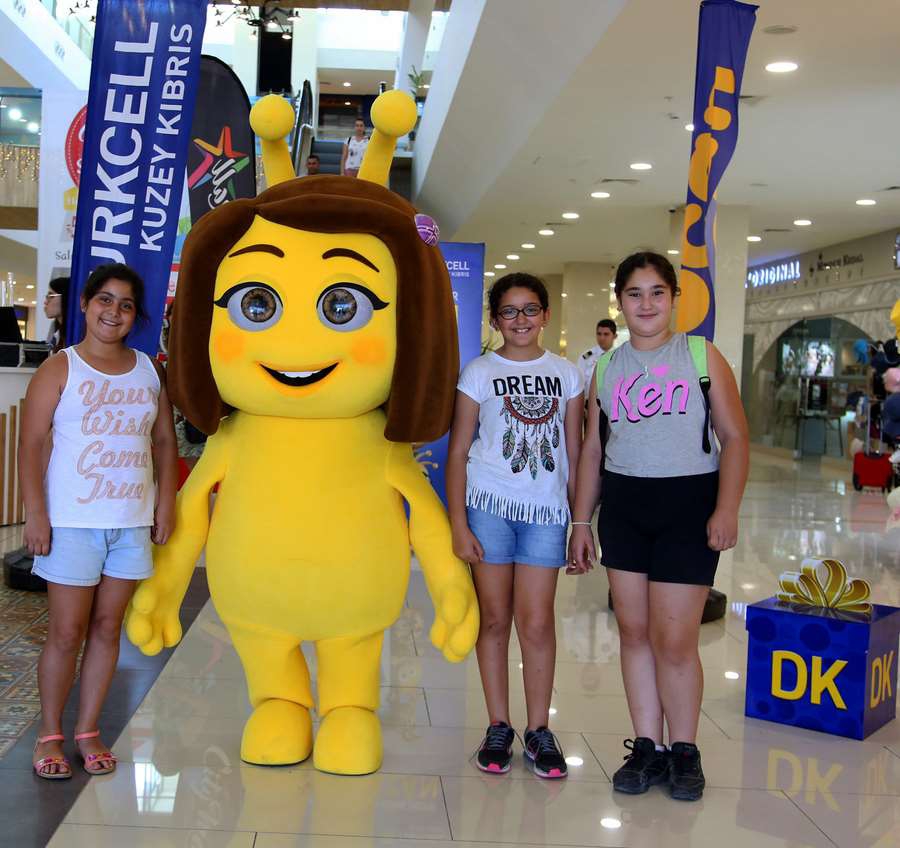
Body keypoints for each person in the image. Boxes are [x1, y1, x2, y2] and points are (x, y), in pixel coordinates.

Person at [569, 252, 748, 802]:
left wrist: (726, 508)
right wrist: (582, 520)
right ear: (620, 302)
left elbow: (735, 437)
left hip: (687, 506)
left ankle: (684, 750)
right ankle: (647, 746)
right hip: (625, 506)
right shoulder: (606, 367)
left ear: (673, 298)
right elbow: (593, 449)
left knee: (675, 640)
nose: (646, 304)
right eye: (634, 294)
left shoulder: (700, 355)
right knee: (634, 632)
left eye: (656, 293)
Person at [20, 263, 178, 780]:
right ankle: (50, 734)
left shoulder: (149, 371)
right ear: (86, 304)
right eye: (105, 300)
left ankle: (88, 731)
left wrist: (166, 503)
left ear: (136, 316)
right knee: (67, 632)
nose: (114, 312)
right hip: (71, 523)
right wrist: (36, 514)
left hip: (129, 523)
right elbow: (31, 443)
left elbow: (163, 441)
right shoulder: (60, 369)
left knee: (109, 629)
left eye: (126, 305)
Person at [447, 272, 583, 779]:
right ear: (494, 319)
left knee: (538, 622)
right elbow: (458, 451)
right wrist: (458, 524)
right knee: (494, 620)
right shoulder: (479, 372)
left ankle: (539, 729)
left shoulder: (567, 375)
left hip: (546, 513)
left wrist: (581, 521)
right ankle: (498, 726)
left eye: (530, 309)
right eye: (509, 311)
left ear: (546, 315)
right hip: (488, 508)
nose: (520, 319)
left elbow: (575, 453)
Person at [579, 318, 618, 395]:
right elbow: (579, 382)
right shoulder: (587, 357)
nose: (602, 338)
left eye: (606, 334)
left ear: (615, 336)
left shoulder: (619, 356)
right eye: (599, 334)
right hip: (589, 399)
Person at [44, 276, 70, 353]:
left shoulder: (77, 332)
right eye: (47, 297)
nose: (45, 302)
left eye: (51, 296)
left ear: (65, 297)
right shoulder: (55, 330)